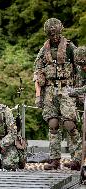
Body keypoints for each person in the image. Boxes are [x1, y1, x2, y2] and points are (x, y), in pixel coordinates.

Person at [33, 18, 82, 170]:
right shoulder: (44, 49)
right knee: (53, 124)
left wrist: (79, 92)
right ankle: (55, 159)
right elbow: (37, 71)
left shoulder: (69, 47)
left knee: (69, 124)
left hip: (66, 89)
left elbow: (80, 68)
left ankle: (77, 158)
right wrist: (38, 95)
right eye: (50, 34)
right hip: (49, 90)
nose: (53, 37)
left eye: (55, 33)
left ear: (60, 31)